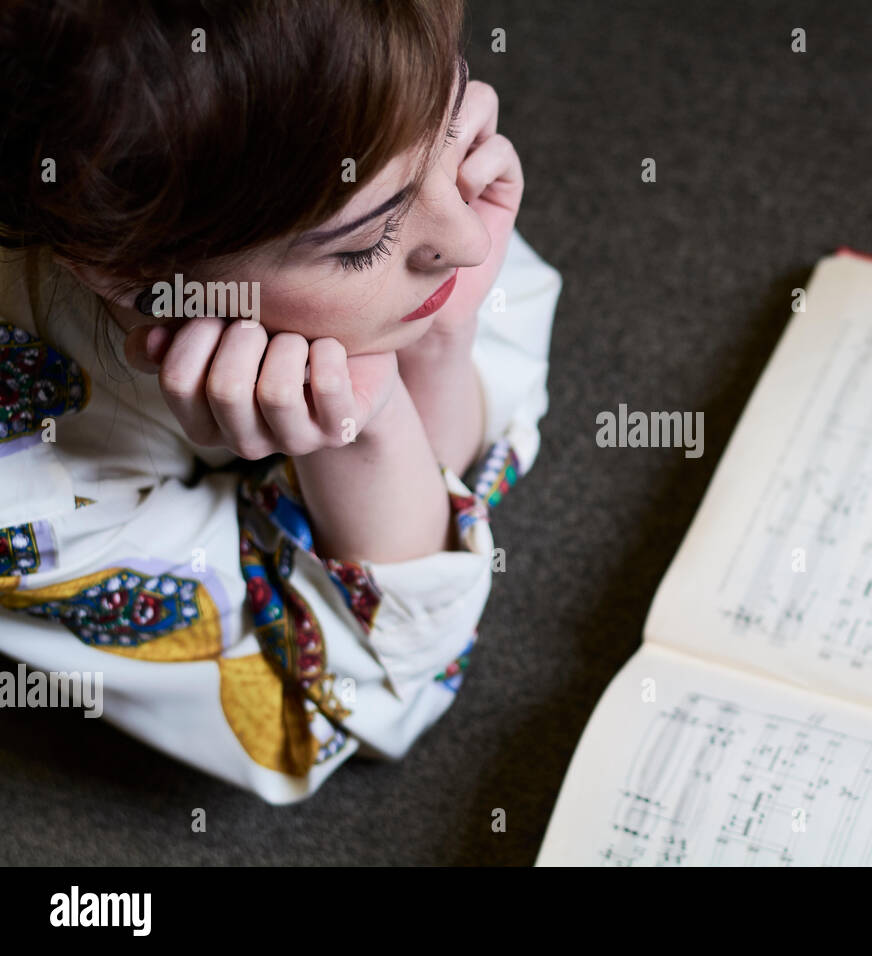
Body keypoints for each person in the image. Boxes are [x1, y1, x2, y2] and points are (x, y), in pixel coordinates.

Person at [0, 0, 561, 802]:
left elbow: (485, 403)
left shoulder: (330, 157)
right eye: (366, 241)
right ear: (123, 275)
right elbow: (342, 703)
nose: (469, 241)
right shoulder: (24, 490)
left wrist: (438, 345)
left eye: (454, 112)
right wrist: (361, 436)